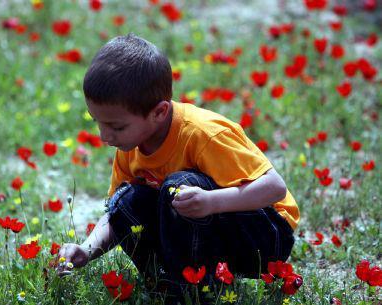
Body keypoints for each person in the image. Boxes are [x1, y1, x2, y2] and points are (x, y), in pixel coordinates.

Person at [58, 33, 300, 303]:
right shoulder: (131, 145)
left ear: (160, 112)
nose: (105, 136)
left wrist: (211, 202)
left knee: (178, 186)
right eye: (97, 122)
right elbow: (117, 213)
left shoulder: (203, 134)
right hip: (202, 235)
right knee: (128, 199)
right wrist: (88, 249)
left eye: (116, 126)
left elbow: (275, 188)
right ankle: (167, 284)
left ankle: (193, 290)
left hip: (263, 235)